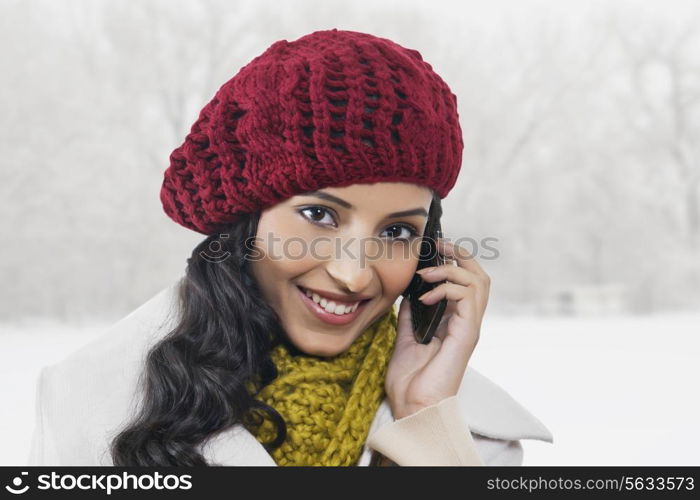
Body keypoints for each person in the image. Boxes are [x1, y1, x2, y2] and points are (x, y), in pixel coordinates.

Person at [26, 28, 553, 467]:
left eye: (396, 233)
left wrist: (422, 417)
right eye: (319, 215)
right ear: (245, 222)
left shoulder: (463, 439)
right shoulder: (93, 406)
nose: (353, 275)